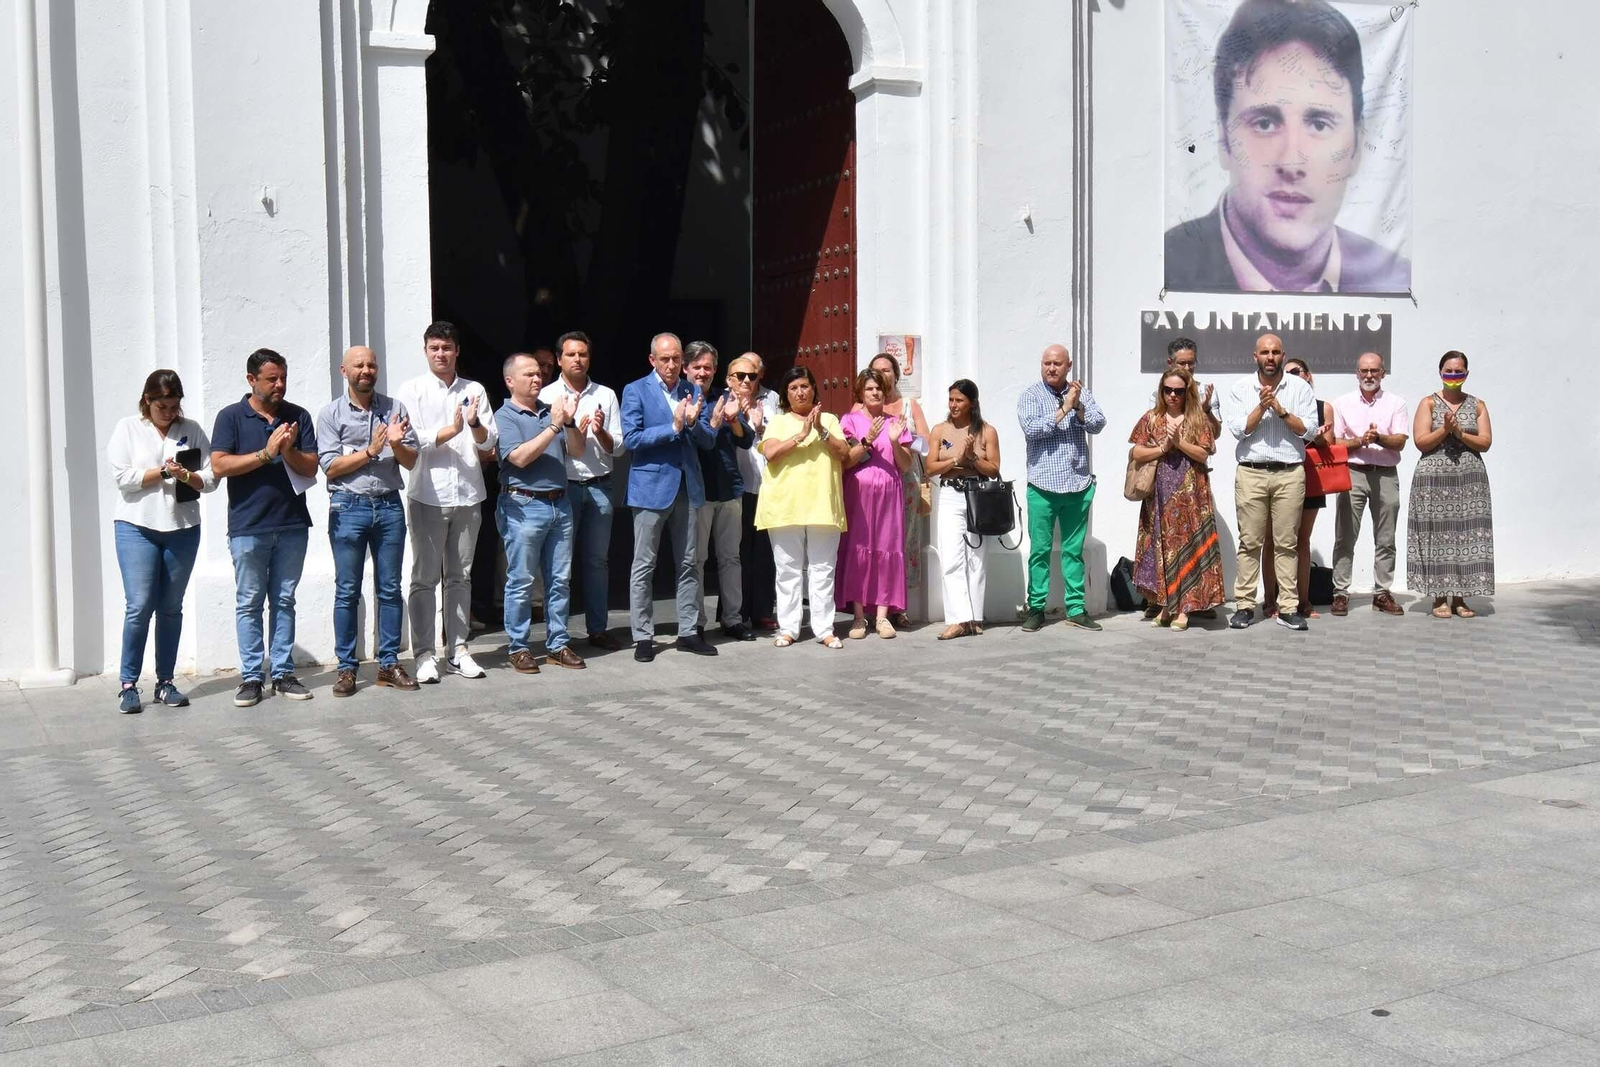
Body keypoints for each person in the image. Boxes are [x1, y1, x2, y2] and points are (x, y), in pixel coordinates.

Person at [1162, 0, 1410, 294]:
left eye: (1319, 124)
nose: (1292, 164)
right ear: (1223, 141)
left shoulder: (1395, 280)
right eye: (1265, 123)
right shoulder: (1162, 266)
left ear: (1357, 147)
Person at [210, 349, 319, 706]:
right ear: (251, 380)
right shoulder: (230, 417)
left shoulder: (297, 416)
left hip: (291, 524)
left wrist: (286, 450)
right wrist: (265, 454)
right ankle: (252, 677)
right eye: (272, 378)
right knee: (249, 603)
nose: (279, 385)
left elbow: (310, 468)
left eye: (283, 377)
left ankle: (284, 674)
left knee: (284, 601)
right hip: (248, 526)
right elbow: (220, 465)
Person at [106, 370, 217, 712]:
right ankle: (128, 684)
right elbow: (123, 477)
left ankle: (165, 682)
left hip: (182, 528)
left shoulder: (192, 429)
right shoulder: (128, 427)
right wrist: (164, 473)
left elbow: (211, 478)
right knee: (139, 606)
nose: (169, 413)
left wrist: (189, 476)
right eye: (162, 406)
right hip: (136, 526)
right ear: (147, 401)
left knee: (171, 607)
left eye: (174, 406)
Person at [396, 321, 499, 683]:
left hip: (469, 493)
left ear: (457, 351)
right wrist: (449, 431)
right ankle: (425, 653)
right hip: (428, 492)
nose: (441, 354)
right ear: (426, 351)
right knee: (424, 577)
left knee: (461, 576)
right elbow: (408, 438)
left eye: (447, 348)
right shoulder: (411, 390)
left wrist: (473, 425)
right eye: (434, 348)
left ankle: (458, 649)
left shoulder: (475, 389)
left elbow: (489, 443)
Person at [315, 346, 421, 696]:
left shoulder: (395, 409)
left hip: (389, 506)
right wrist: (372, 451)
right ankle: (346, 668)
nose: (366, 370)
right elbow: (329, 466)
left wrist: (396, 443)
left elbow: (410, 461)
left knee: (390, 588)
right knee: (347, 590)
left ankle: (388, 663)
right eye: (359, 365)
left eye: (372, 365)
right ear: (344, 371)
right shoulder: (331, 414)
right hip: (348, 506)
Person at [620, 332, 718, 661]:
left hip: (687, 488)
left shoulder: (692, 390)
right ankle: (643, 636)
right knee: (644, 565)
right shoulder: (635, 390)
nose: (672, 365)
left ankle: (689, 631)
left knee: (690, 563)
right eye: (665, 359)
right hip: (650, 490)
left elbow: (708, 441)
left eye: (677, 359)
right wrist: (674, 428)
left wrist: (692, 425)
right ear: (652, 360)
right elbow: (631, 439)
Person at [496, 352, 587, 674]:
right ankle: (519, 647)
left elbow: (576, 450)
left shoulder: (552, 413)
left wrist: (571, 422)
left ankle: (557, 644)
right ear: (510, 381)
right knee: (521, 580)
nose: (537, 379)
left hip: (559, 504)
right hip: (523, 504)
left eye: (538, 374)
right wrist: (554, 426)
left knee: (560, 580)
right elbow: (518, 458)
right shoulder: (505, 416)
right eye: (529, 375)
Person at [1224, 334, 1319, 631]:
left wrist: (1280, 410)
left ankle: (1288, 607)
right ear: (1255, 356)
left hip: (1290, 473)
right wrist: (1261, 407)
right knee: (1250, 541)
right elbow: (1239, 430)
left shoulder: (1300, 388)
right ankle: (1244, 606)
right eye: (1264, 352)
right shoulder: (1241, 388)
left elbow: (1310, 431)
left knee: (1287, 543)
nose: (1270, 357)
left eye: (1276, 352)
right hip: (1251, 472)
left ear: (1283, 355)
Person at [539, 331, 625, 651]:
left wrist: (600, 432)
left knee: (596, 561)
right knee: (559, 563)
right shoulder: (546, 395)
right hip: (562, 488)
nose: (578, 360)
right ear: (559, 359)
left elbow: (618, 448)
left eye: (583, 354)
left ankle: (598, 629)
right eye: (571, 354)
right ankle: (557, 636)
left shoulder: (606, 394)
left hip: (600, 486)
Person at [755, 367, 852, 648]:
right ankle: (788, 628)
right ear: (786, 393)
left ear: (814, 390)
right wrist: (800, 435)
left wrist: (819, 430)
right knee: (787, 569)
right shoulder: (778, 422)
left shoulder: (830, 420)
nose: (800, 392)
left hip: (823, 503)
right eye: (794, 387)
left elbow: (844, 454)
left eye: (805, 386)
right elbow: (771, 453)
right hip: (785, 505)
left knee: (823, 569)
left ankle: (824, 629)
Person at [1017, 344, 1106, 632]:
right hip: (1042, 486)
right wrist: (1064, 408)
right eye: (1046, 363)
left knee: (1073, 551)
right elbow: (1032, 429)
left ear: (1068, 366)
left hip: (1077, 483)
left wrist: (1077, 405)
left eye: (1057, 363)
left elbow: (1098, 423)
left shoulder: (1081, 392)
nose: (1051, 368)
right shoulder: (1031, 395)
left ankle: (1076, 609)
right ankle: (1037, 607)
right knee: (1040, 551)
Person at [1128, 369, 1225, 631]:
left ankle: (1186, 608)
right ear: (1161, 391)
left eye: (1178, 391)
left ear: (1187, 392)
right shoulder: (1152, 419)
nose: (1172, 395)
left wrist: (1178, 441)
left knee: (1188, 547)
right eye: (1167, 390)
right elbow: (1136, 450)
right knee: (1162, 546)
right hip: (1159, 495)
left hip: (1191, 495)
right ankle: (1165, 605)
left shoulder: (1197, 420)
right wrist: (1162, 448)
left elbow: (1203, 454)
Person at [1407, 351, 1494, 618]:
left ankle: (1460, 597)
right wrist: (1444, 431)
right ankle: (1438, 598)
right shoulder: (1429, 403)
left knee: (1466, 535)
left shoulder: (1477, 405)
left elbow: (1486, 442)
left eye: (1458, 372)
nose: (1453, 376)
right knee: (1437, 534)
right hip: (1433, 480)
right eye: (1448, 371)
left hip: (1469, 481)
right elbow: (1421, 442)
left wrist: (1460, 433)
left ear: (1466, 374)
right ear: (1440, 372)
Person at [684, 342, 756, 641]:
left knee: (730, 558)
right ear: (686, 368)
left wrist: (732, 420)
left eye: (708, 367)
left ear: (716, 370)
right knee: (696, 560)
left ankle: (732, 619)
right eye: (697, 367)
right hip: (698, 490)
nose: (703, 372)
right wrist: (712, 422)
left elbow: (746, 439)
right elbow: (702, 441)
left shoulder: (726, 397)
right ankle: (696, 622)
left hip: (729, 488)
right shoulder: (680, 398)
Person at [1330, 351, 1409, 616]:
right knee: (1345, 536)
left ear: (1383, 373)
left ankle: (1382, 593)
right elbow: (1334, 442)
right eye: (1364, 370)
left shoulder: (1396, 403)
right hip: (1353, 472)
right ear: (1356, 373)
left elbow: (1400, 441)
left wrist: (1379, 438)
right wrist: (1361, 441)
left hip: (1386, 473)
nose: (1369, 375)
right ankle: (1340, 593)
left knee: (1386, 538)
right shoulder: (1342, 403)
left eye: (1374, 370)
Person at [838, 368, 914, 639]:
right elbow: (846, 460)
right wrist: (868, 439)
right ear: (860, 392)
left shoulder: (896, 422)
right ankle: (859, 617)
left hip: (888, 495)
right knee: (860, 549)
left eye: (879, 388)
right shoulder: (849, 420)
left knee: (886, 548)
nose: (875, 392)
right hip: (858, 494)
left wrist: (894, 441)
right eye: (869, 388)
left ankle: (882, 616)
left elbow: (905, 465)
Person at [924, 379, 1001, 640]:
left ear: (972, 403)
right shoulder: (939, 430)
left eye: (959, 400)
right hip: (950, 494)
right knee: (952, 557)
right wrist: (957, 459)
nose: (954, 405)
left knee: (976, 557)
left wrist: (974, 459)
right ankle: (959, 618)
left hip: (977, 494)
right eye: (951, 400)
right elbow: (930, 467)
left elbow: (994, 469)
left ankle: (975, 617)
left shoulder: (986, 431)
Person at [1262, 357, 1334, 618]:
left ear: (1308, 375)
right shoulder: (1274, 402)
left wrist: (1315, 434)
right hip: (1279, 476)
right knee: (1271, 540)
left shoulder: (1322, 407)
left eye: (1296, 371)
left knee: (1301, 541)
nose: (1291, 376)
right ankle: (1270, 600)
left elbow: (1329, 442)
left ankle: (1303, 602)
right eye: (1287, 372)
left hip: (1311, 478)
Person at [864, 352, 930, 628]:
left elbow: (927, 441)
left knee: (905, 542)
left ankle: (899, 605)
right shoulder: (864, 405)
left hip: (906, 479)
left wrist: (903, 436)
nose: (883, 375)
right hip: (875, 483)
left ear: (896, 374)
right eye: (877, 370)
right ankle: (873, 602)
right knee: (875, 542)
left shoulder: (908, 405)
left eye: (888, 370)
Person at [731, 353, 780, 631]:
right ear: (730, 378)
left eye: (752, 375)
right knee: (735, 553)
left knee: (763, 552)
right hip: (736, 486)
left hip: (764, 486)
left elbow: (777, 437)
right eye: (741, 376)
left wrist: (760, 424)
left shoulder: (770, 402)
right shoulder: (723, 403)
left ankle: (762, 610)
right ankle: (735, 612)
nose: (747, 380)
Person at [1159, 338, 1223, 440]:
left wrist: (1206, 410)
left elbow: (1216, 434)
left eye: (1191, 362)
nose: (1187, 368)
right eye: (1182, 363)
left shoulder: (1205, 392)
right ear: (1170, 363)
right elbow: (1155, 431)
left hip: (1197, 453)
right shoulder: (1161, 394)